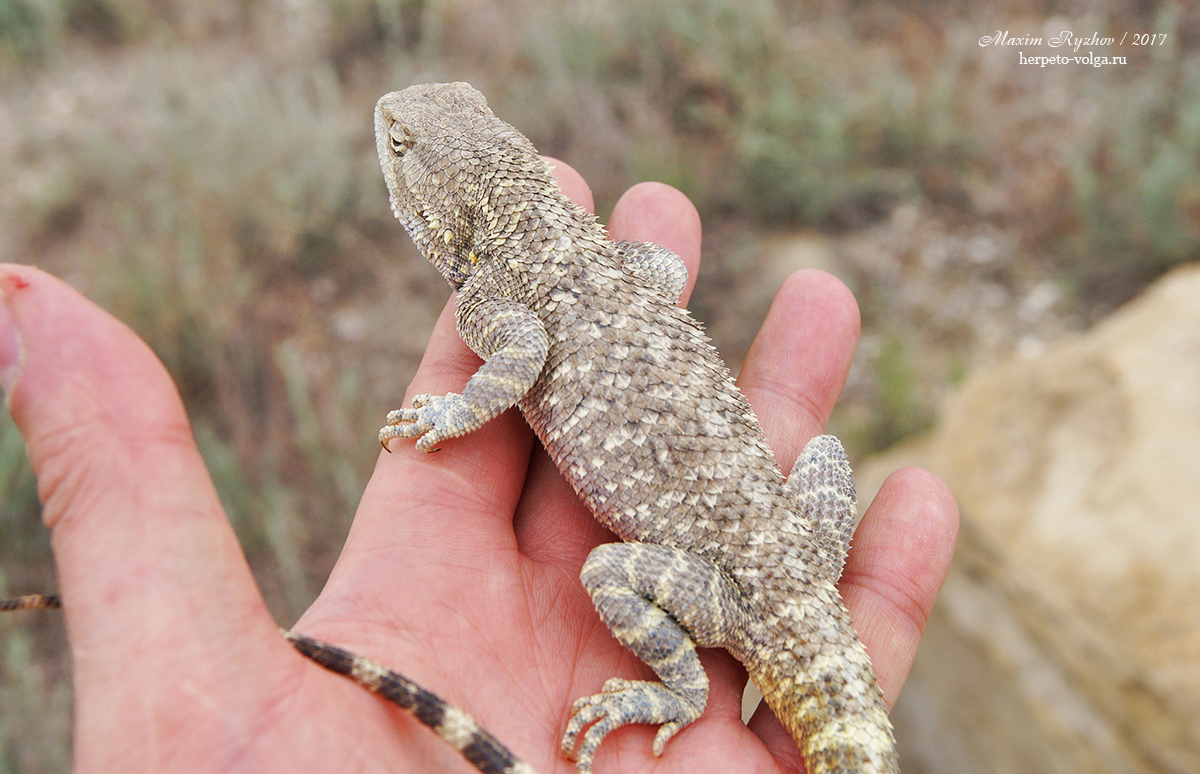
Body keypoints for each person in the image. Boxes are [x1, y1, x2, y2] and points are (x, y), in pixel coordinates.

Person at [0, 161, 957, 773]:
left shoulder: (502, 293)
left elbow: (522, 361)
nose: (394, 148)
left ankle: (681, 688)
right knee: (824, 448)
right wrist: (604, 278)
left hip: (740, 592)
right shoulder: (575, 261)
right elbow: (660, 278)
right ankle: (802, 602)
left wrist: (455, 411)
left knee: (607, 568)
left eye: (404, 155)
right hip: (790, 551)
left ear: (439, 208)